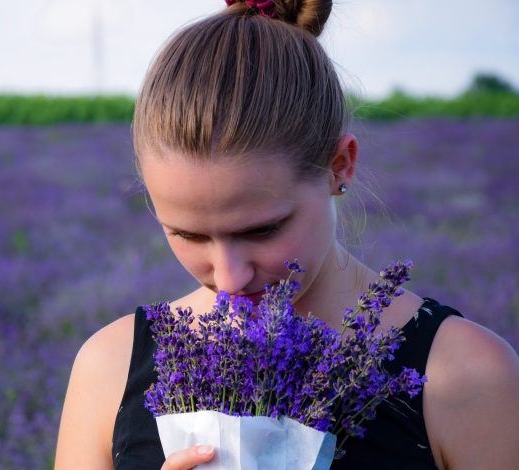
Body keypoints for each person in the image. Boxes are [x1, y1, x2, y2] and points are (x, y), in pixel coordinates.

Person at [54, 1, 519, 468]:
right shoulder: (109, 368)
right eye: (189, 235)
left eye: (262, 230)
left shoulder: (468, 376)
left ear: (340, 166)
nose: (230, 279)